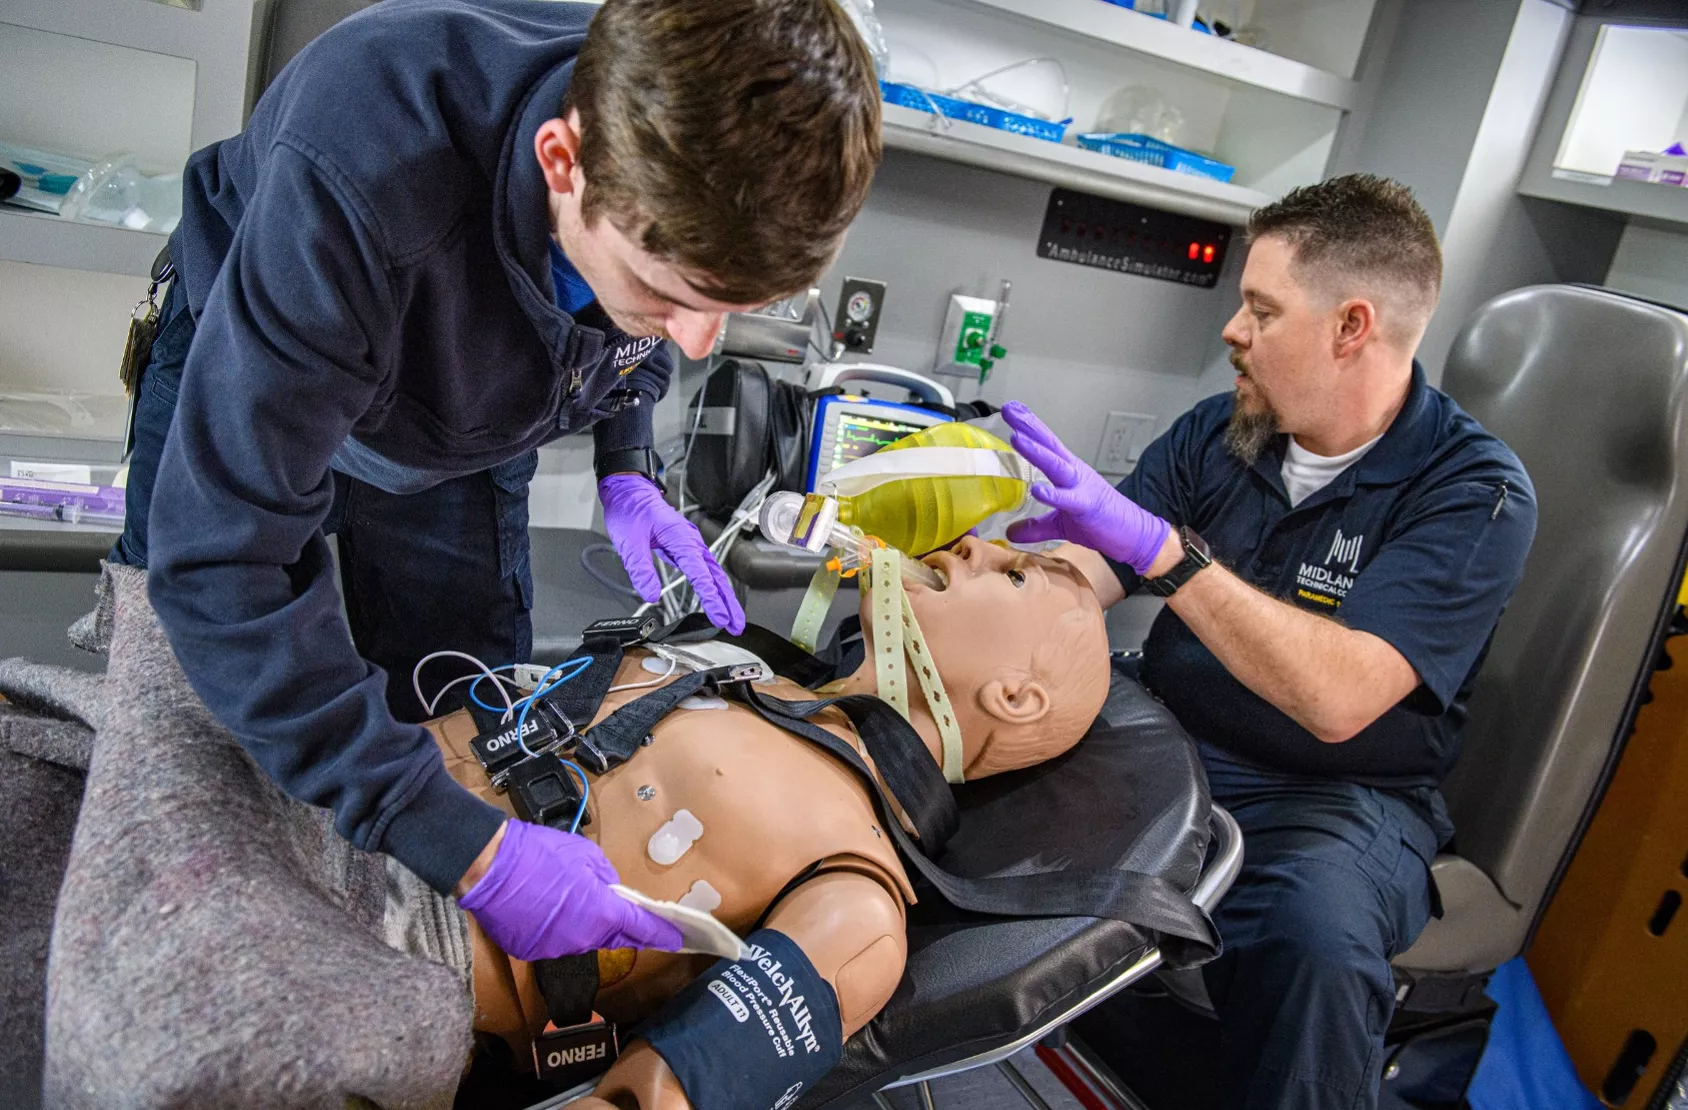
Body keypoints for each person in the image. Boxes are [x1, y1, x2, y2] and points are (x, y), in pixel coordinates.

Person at [111, 0, 881, 961]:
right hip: (263, 332)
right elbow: (223, 573)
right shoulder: (360, 167)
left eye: (733, 308)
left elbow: (640, 320)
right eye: (672, 296)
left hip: (457, 396)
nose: (697, 345)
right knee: (199, 726)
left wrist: (628, 464)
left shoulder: (658, 143)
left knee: (467, 695)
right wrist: (459, 848)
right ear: (563, 162)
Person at [1001, 175, 1538, 1110]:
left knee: (1314, 942)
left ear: (1351, 327)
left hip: (1333, 799)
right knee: (977, 795)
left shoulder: (1474, 492)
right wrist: (980, 582)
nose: (1231, 332)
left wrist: (1164, 555)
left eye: (1260, 309)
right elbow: (1088, 576)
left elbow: (1341, 699)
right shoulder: (1224, 430)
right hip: (1168, 738)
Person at [425, 536, 1112, 1110]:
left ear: (1015, 697)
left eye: (1015, 573)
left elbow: (649, 1099)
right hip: (367, 780)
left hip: (410, 944)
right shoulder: (750, 673)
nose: (975, 544)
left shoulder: (856, 901)